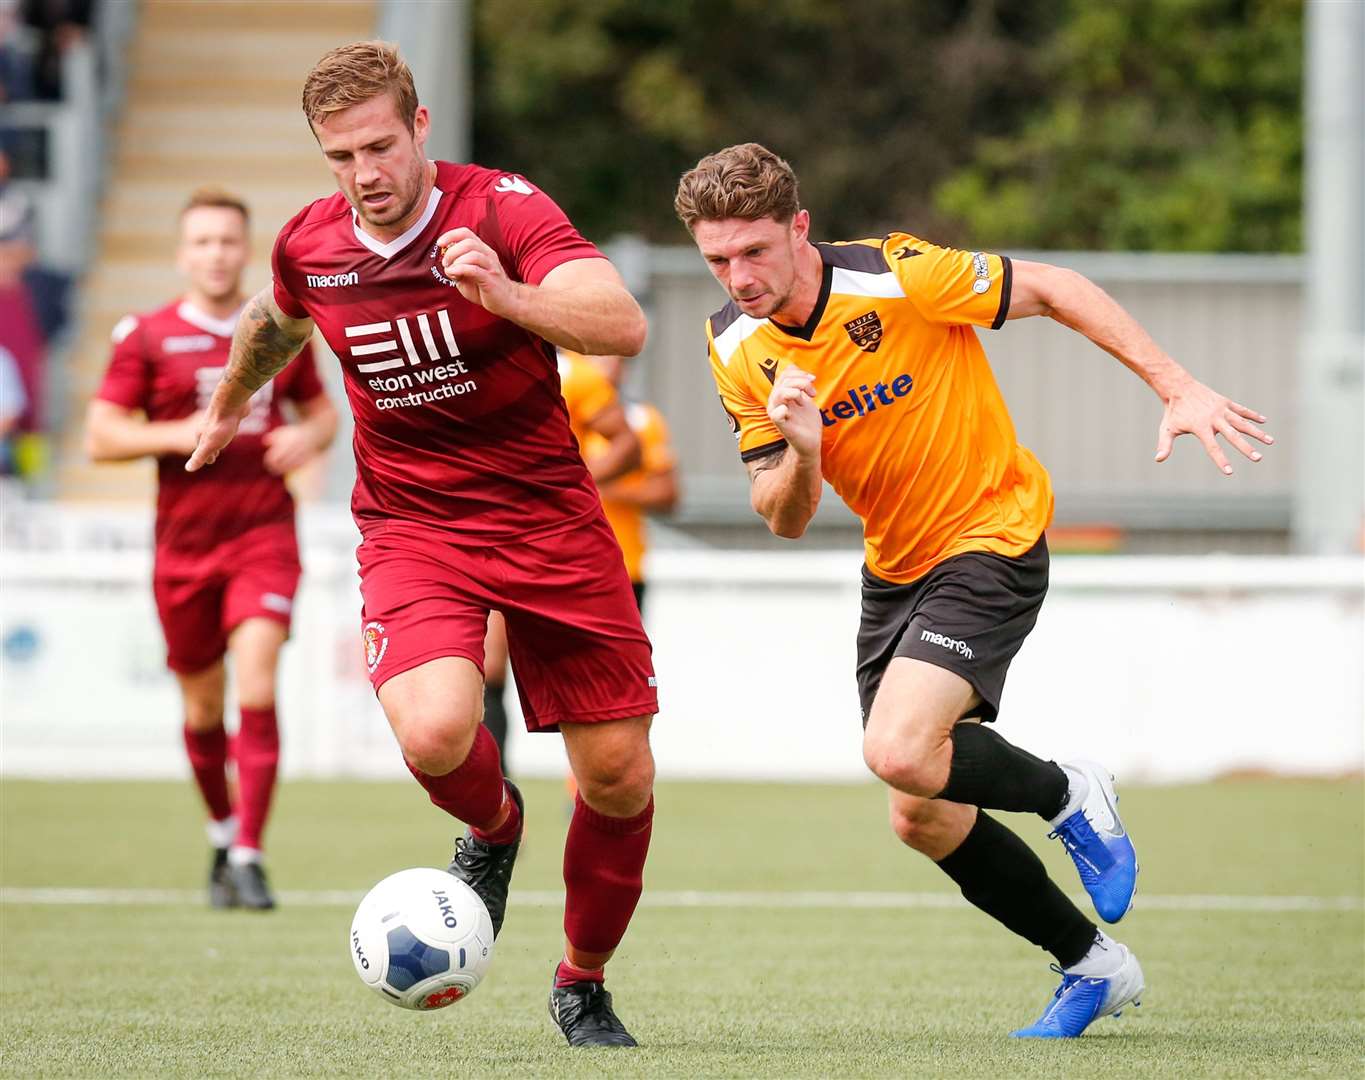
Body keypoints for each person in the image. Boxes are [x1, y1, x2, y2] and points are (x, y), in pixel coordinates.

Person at [675, 143, 1273, 1039]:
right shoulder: (732, 344)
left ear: (799, 228)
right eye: (717, 259)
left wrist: (1175, 384)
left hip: (991, 535)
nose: (738, 275)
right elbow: (783, 515)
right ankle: (1090, 964)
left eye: (754, 251)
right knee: (919, 812)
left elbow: (1056, 287)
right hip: (895, 568)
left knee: (901, 750)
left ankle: (1069, 792)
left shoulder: (899, 276)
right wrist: (801, 450)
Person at [187, 42, 658, 1048]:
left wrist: (509, 298)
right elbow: (279, 321)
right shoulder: (311, 242)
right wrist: (231, 403)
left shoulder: (502, 210)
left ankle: (582, 982)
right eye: (340, 156)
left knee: (618, 777)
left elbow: (620, 323)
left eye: (379, 145)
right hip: (416, 527)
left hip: (549, 523)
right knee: (436, 734)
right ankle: (495, 827)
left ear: (421, 130)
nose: (365, 173)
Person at [86, 187, 338, 911]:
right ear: (181, 254)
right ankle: (224, 835)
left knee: (256, 685)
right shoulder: (147, 335)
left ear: (246, 248)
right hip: (183, 549)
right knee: (203, 711)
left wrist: (307, 436)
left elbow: (321, 415)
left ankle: (252, 854)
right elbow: (101, 436)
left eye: (229, 241)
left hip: (262, 535)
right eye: (202, 242)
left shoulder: (280, 329)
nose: (217, 254)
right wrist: (188, 430)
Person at [479, 349, 641, 768]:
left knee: (589, 681)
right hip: (492, 538)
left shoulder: (578, 376)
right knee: (489, 669)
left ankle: (589, 791)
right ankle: (497, 805)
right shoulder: (476, 361)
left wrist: (570, 485)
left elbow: (628, 447)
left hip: (564, 548)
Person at [580, 351, 680, 613]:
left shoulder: (642, 420)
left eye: (614, 359)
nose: (604, 366)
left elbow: (667, 493)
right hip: (560, 563)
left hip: (623, 563)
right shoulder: (557, 417)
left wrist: (603, 488)